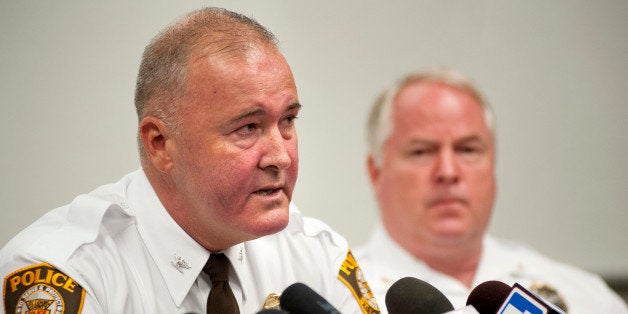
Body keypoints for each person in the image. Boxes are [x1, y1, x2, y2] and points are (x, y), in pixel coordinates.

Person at [0, 7, 380, 314]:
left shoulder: (315, 253)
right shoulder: (65, 272)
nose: (280, 155)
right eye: (247, 128)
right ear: (161, 143)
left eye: (288, 121)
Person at [353, 69, 627, 313]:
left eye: (468, 150)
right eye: (421, 152)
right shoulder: (339, 294)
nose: (448, 172)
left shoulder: (583, 295)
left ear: (493, 164)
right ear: (375, 172)